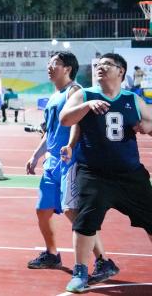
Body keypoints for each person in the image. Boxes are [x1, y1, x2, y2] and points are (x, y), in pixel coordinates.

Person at [59, 53, 152, 293]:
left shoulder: (133, 99)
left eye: (107, 64)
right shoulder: (85, 95)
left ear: (121, 71)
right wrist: (86, 106)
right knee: (85, 222)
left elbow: (151, 123)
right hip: (94, 173)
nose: (100, 67)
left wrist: (146, 127)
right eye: (98, 65)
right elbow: (65, 119)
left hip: (130, 175)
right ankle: (80, 272)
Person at [25, 52, 119, 282]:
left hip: (70, 161)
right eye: (49, 62)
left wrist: (70, 145)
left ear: (67, 68)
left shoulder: (74, 91)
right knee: (43, 210)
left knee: (72, 211)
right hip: (52, 162)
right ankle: (52, 254)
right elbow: (50, 132)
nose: (49, 66)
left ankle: (104, 261)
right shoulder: (54, 95)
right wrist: (36, 155)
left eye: (54, 63)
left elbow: (78, 122)